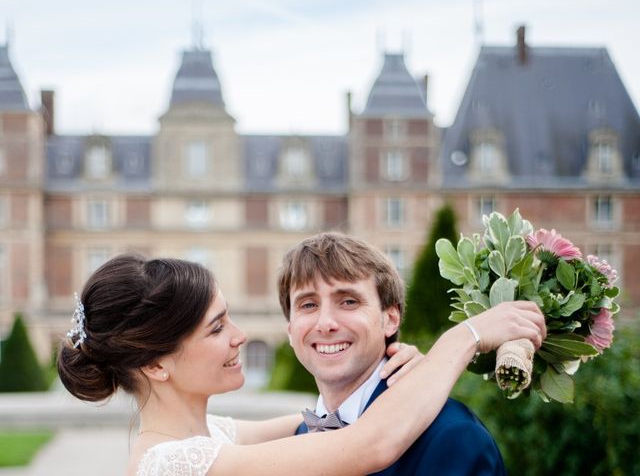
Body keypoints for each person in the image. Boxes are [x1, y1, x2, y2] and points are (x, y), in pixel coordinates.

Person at [58, 253, 545, 476]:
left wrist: (399, 374)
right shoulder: (173, 465)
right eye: (216, 328)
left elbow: (325, 420)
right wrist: (465, 338)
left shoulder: (211, 436)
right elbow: (366, 443)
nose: (241, 336)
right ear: (156, 365)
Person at [278, 232, 528, 475]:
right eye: (308, 305)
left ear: (390, 318)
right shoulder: (301, 435)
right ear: (290, 330)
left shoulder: (452, 436)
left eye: (348, 301)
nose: (326, 323)